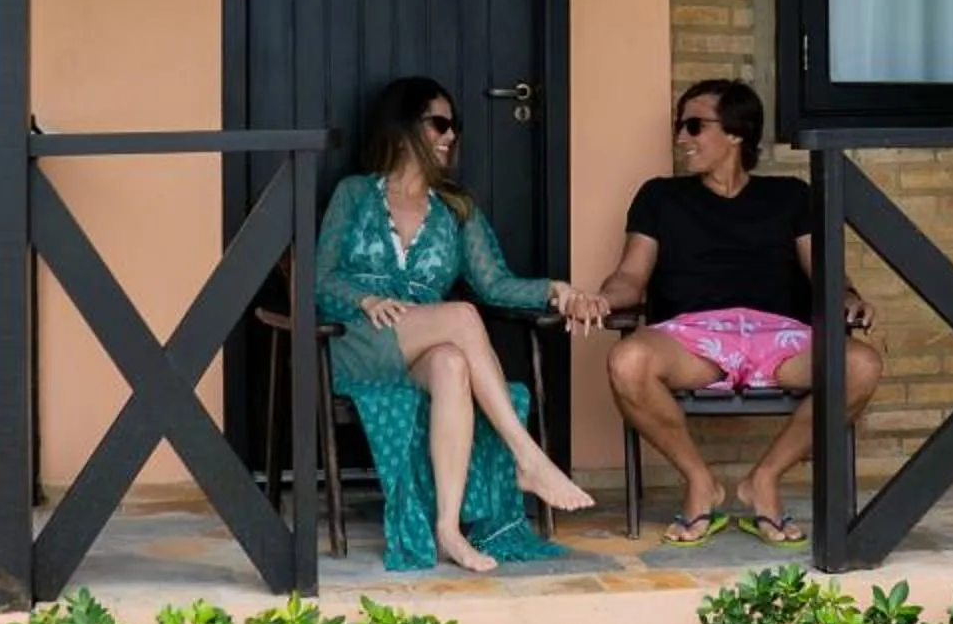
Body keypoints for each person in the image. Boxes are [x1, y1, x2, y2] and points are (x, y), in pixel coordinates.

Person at [312, 77, 604, 573]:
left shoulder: (455, 208)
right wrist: (364, 297)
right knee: (462, 317)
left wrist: (555, 289)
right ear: (404, 129)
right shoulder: (355, 194)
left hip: (422, 344)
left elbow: (494, 283)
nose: (450, 136)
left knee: (450, 363)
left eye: (455, 126)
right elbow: (321, 279)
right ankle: (527, 458)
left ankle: (447, 528)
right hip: (354, 339)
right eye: (439, 124)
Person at [587, 79, 883, 546]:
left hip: (780, 339)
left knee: (861, 365)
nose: (681, 137)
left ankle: (764, 479)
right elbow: (629, 277)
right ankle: (700, 482)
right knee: (627, 361)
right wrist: (604, 298)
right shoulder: (659, 197)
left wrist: (847, 299)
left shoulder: (789, 196)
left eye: (693, 126)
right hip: (692, 340)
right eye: (679, 126)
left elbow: (825, 275)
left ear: (736, 134)